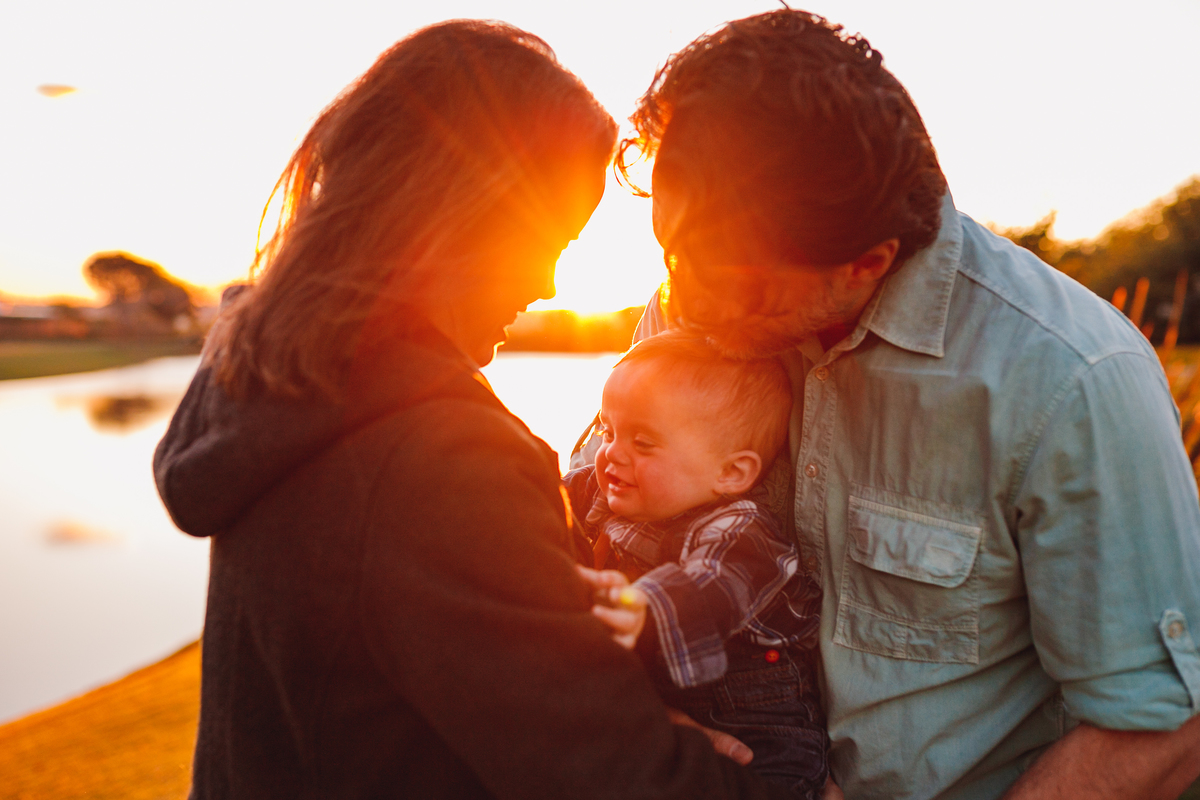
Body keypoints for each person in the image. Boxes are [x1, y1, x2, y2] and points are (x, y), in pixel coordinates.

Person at [154, 21, 799, 799]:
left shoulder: (271, 380)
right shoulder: (441, 460)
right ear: (461, 223)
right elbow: (605, 776)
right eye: (548, 240)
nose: (550, 287)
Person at [578, 9, 1200, 799]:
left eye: (740, 288)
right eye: (672, 249)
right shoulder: (695, 302)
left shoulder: (1071, 381)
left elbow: (1160, 725)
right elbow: (604, 526)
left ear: (864, 264)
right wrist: (649, 722)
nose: (683, 301)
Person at [565, 331, 827, 798]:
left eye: (643, 442)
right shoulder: (609, 489)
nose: (612, 453)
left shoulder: (741, 532)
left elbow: (710, 587)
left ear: (731, 472)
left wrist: (641, 607)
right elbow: (544, 495)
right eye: (609, 431)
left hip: (762, 739)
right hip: (665, 716)